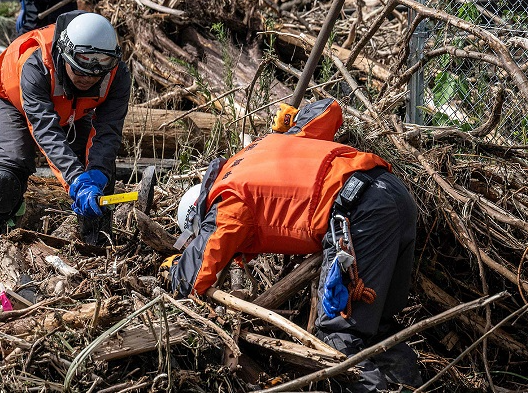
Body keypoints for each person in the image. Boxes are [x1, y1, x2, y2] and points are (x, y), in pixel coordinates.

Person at [165, 99, 422, 392]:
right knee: (374, 328)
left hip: (358, 215)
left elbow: (192, 278)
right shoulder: (265, 146)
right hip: (392, 191)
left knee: (335, 341)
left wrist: (174, 268)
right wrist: (296, 121)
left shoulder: (227, 200)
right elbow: (329, 109)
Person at [0, 11, 130, 245]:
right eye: (79, 70)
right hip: (11, 100)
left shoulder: (118, 76)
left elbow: (108, 131)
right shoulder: (36, 66)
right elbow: (45, 129)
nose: (87, 79)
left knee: (100, 170)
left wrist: (96, 174)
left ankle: (95, 241)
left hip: (72, 109)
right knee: (11, 168)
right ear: (65, 54)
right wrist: (75, 180)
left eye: (97, 73)